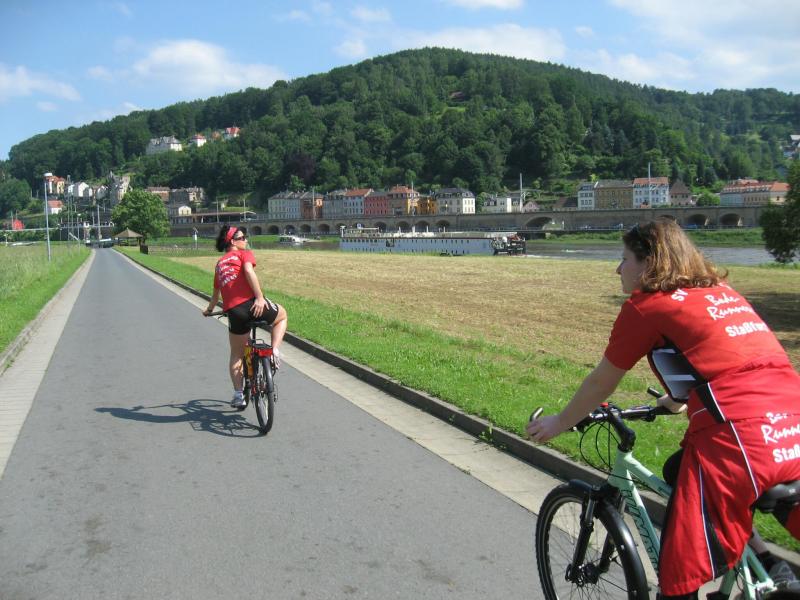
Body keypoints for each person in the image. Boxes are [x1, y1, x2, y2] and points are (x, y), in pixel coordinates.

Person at [526, 219, 800, 599]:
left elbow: (602, 382)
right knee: (677, 470)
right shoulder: (720, 292)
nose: (618, 269)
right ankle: (772, 565)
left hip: (738, 436)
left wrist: (559, 422)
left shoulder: (647, 307)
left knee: (680, 566)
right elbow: (721, 359)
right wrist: (676, 400)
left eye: (625, 259)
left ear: (649, 263)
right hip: (789, 421)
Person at [202, 225, 288, 408]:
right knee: (282, 316)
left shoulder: (219, 264)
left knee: (236, 354)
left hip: (235, 312)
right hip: (252, 304)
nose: (246, 240)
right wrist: (259, 297)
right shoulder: (244, 254)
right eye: (243, 237)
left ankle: (238, 395)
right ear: (233, 242)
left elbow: (216, 295)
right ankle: (274, 351)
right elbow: (248, 271)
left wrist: (209, 310)